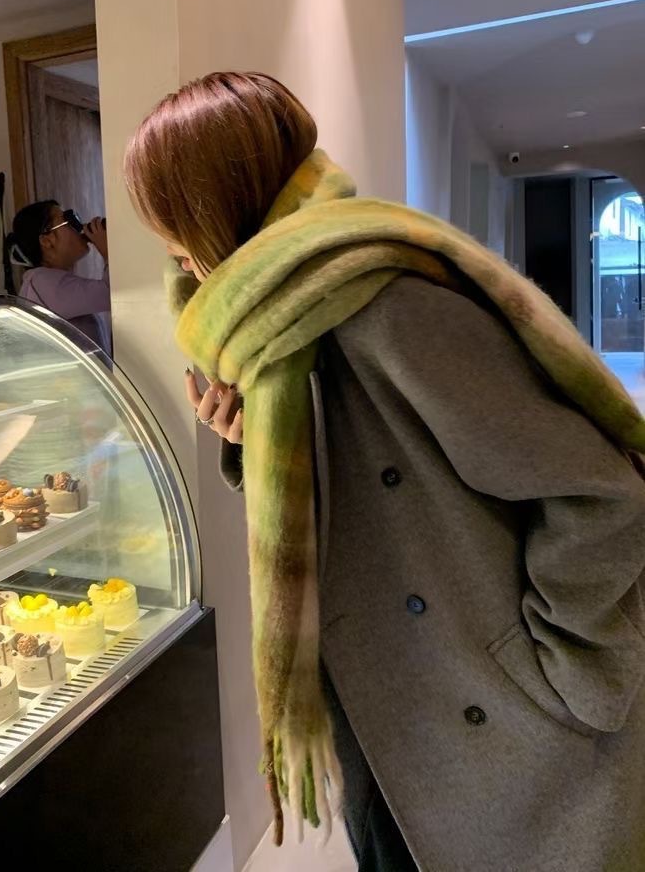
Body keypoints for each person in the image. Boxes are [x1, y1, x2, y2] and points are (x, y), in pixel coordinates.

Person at [124, 72, 645, 872]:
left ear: (215, 206)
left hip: (506, 729)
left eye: (173, 228)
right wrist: (253, 441)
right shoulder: (281, 331)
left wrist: (568, 661)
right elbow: (361, 497)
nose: (176, 257)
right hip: (384, 711)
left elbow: (600, 491)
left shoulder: (389, 311)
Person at [7, 199, 111, 355]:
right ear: (47, 240)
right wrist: (109, 251)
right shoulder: (43, 283)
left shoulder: (43, 282)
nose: (79, 225)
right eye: (69, 219)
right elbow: (113, 295)